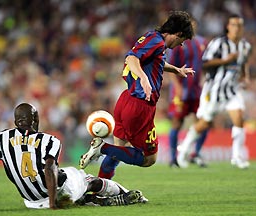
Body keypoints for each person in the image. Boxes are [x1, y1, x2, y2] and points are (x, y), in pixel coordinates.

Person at [80, 11, 195, 179]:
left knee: (118, 152)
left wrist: (176, 70)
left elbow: (155, 61)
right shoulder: (156, 42)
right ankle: (101, 148)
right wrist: (144, 78)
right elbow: (131, 58)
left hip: (126, 100)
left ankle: (99, 189)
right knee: (149, 159)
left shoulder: (153, 38)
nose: (181, 45)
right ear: (177, 34)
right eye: (182, 41)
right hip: (140, 107)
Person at [0, 103, 147, 209]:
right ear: (36, 120)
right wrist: (52, 204)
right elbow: (49, 168)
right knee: (88, 180)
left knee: (70, 179)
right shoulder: (49, 140)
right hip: (55, 196)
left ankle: (90, 200)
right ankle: (127, 195)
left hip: (31, 202)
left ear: (16, 121)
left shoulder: (1, 139)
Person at [177, 14, 252, 169]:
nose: (237, 28)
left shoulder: (245, 46)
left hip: (232, 90)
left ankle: (237, 157)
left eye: (239, 25)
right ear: (228, 27)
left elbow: (243, 62)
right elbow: (205, 63)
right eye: (233, 25)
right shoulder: (219, 43)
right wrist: (225, 61)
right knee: (205, 123)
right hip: (214, 90)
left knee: (239, 118)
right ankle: (184, 149)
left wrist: (245, 76)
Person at [167, 17, 208, 168]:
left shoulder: (202, 42)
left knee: (204, 121)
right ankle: (173, 159)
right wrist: (177, 87)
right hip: (181, 91)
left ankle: (195, 153)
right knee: (177, 123)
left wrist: (205, 80)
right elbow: (170, 67)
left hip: (197, 91)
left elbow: (205, 64)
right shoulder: (179, 44)